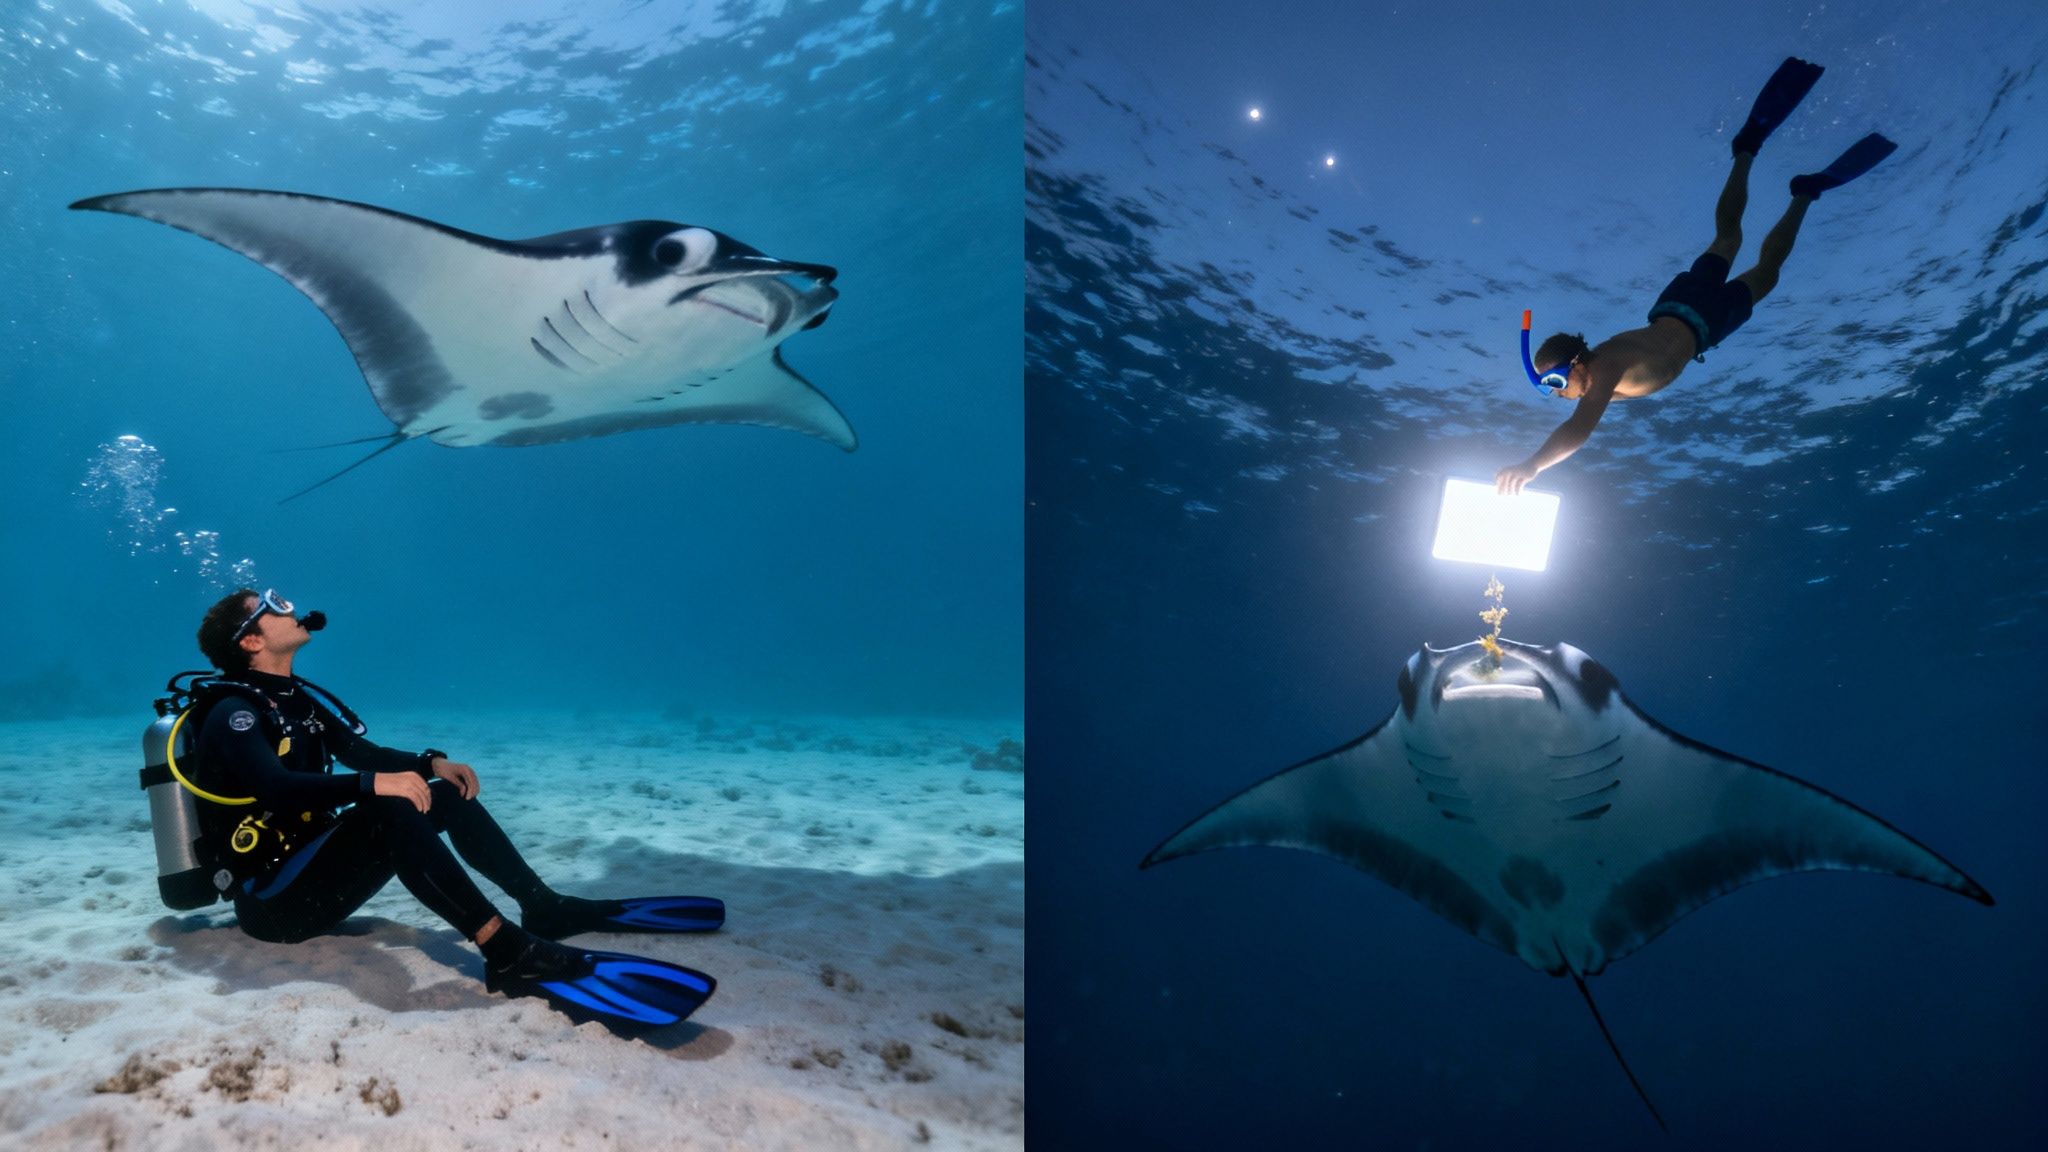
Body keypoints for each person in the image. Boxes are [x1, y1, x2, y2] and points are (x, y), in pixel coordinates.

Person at [182, 586, 726, 1028]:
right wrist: (374, 785)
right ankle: (505, 950)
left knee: (440, 795)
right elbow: (275, 787)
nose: (288, 608)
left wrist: (430, 763)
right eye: (271, 605)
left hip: (311, 872)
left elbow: (360, 753)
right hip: (273, 903)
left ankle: (543, 907)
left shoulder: (293, 699)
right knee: (389, 807)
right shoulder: (233, 711)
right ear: (251, 640)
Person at [1496, 58, 1896, 495]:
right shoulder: (1603, 385)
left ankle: (1749, 149)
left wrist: (1532, 465)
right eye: (1547, 388)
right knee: (1761, 268)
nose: (1556, 393)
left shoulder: (1603, 369)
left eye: (1555, 382)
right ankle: (1805, 192)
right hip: (1703, 326)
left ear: (1576, 363)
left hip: (1689, 313)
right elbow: (1591, 413)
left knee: (1732, 242)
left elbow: (1579, 429)